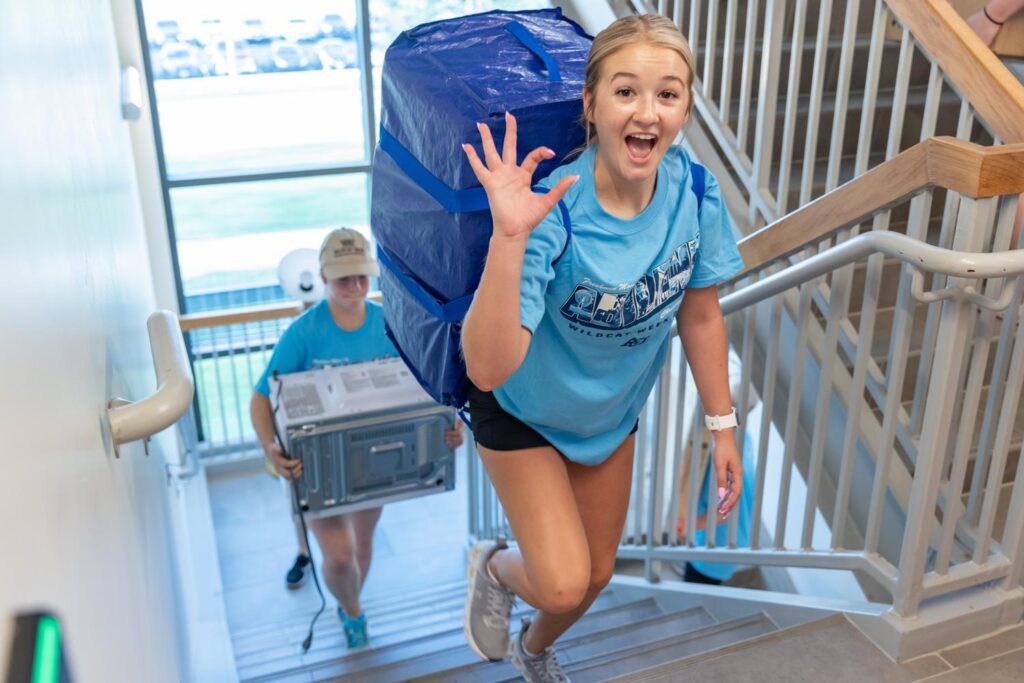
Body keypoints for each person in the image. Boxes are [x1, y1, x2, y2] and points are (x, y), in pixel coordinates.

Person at [458, 15, 744, 682]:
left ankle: (531, 649)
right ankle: (496, 566)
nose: (647, 111)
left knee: (596, 574)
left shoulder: (695, 193)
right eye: (626, 91)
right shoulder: (554, 209)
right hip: (523, 408)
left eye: (668, 94)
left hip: (609, 414)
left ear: (684, 109)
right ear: (591, 104)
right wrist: (509, 239)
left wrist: (722, 424)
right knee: (560, 582)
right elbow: (487, 366)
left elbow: (700, 314)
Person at [249, 227, 463, 649]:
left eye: (362, 276)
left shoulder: (388, 323)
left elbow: (419, 385)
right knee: (340, 555)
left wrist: (446, 427)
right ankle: (352, 611)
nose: (356, 286)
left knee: (361, 548)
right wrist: (270, 448)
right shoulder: (304, 333)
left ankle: (348, 601)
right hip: (316, 462)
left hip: (369, 458)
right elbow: (261, 398)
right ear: (325, 279)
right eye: (344, 278)